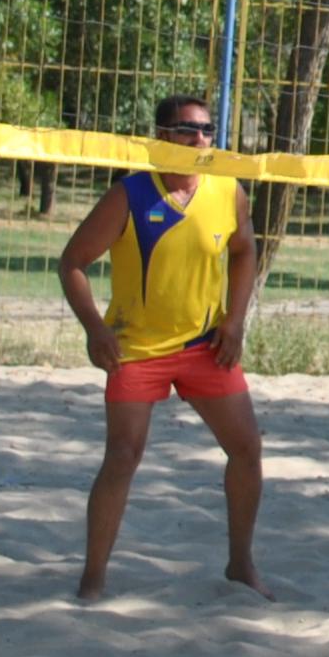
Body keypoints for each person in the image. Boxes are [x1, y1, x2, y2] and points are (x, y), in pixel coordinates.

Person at [58, 90, 270, 603]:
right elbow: (72, 263)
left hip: (204, 346)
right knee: (123, 455)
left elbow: (245, 250)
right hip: (136, 348)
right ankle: (93, 579)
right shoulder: (129, 195)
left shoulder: (227, 191)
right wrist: (95, 330)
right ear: (162, 137)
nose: (199, 139)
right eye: (187, 130)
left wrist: (236, 319)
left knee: (247, 450)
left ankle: (240, 564)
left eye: (206, 131)